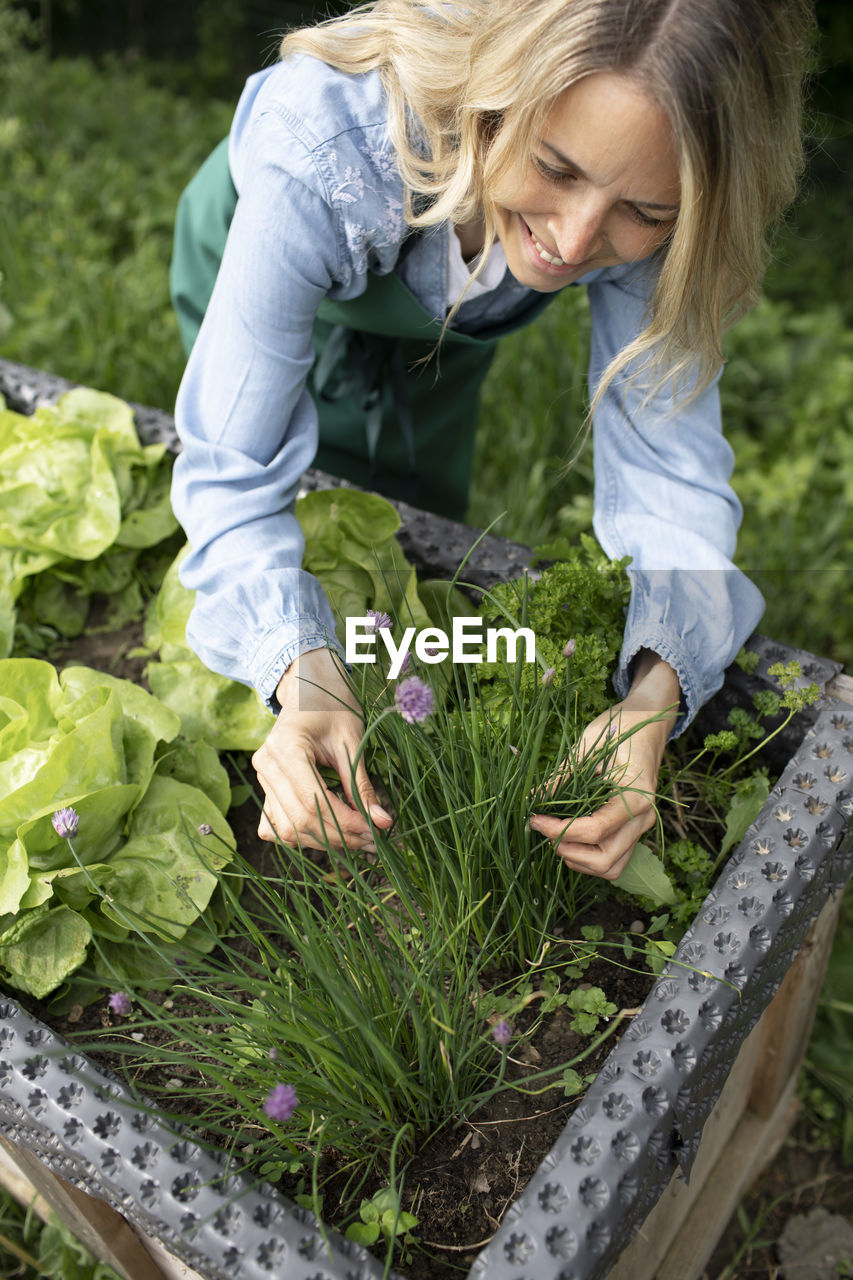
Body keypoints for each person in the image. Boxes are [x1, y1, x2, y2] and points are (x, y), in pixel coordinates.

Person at [169, 0, 814, 879]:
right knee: (277, 510)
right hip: (278, 256)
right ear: (491, 101)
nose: (575, 240)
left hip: (448, 317)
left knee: (403, 511)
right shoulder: (320, 146)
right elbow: (232, 468)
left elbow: (671, 468)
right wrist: (297, 669)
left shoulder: (666, 188)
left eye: (641, 212)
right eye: (555, 168)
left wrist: (653, 699)